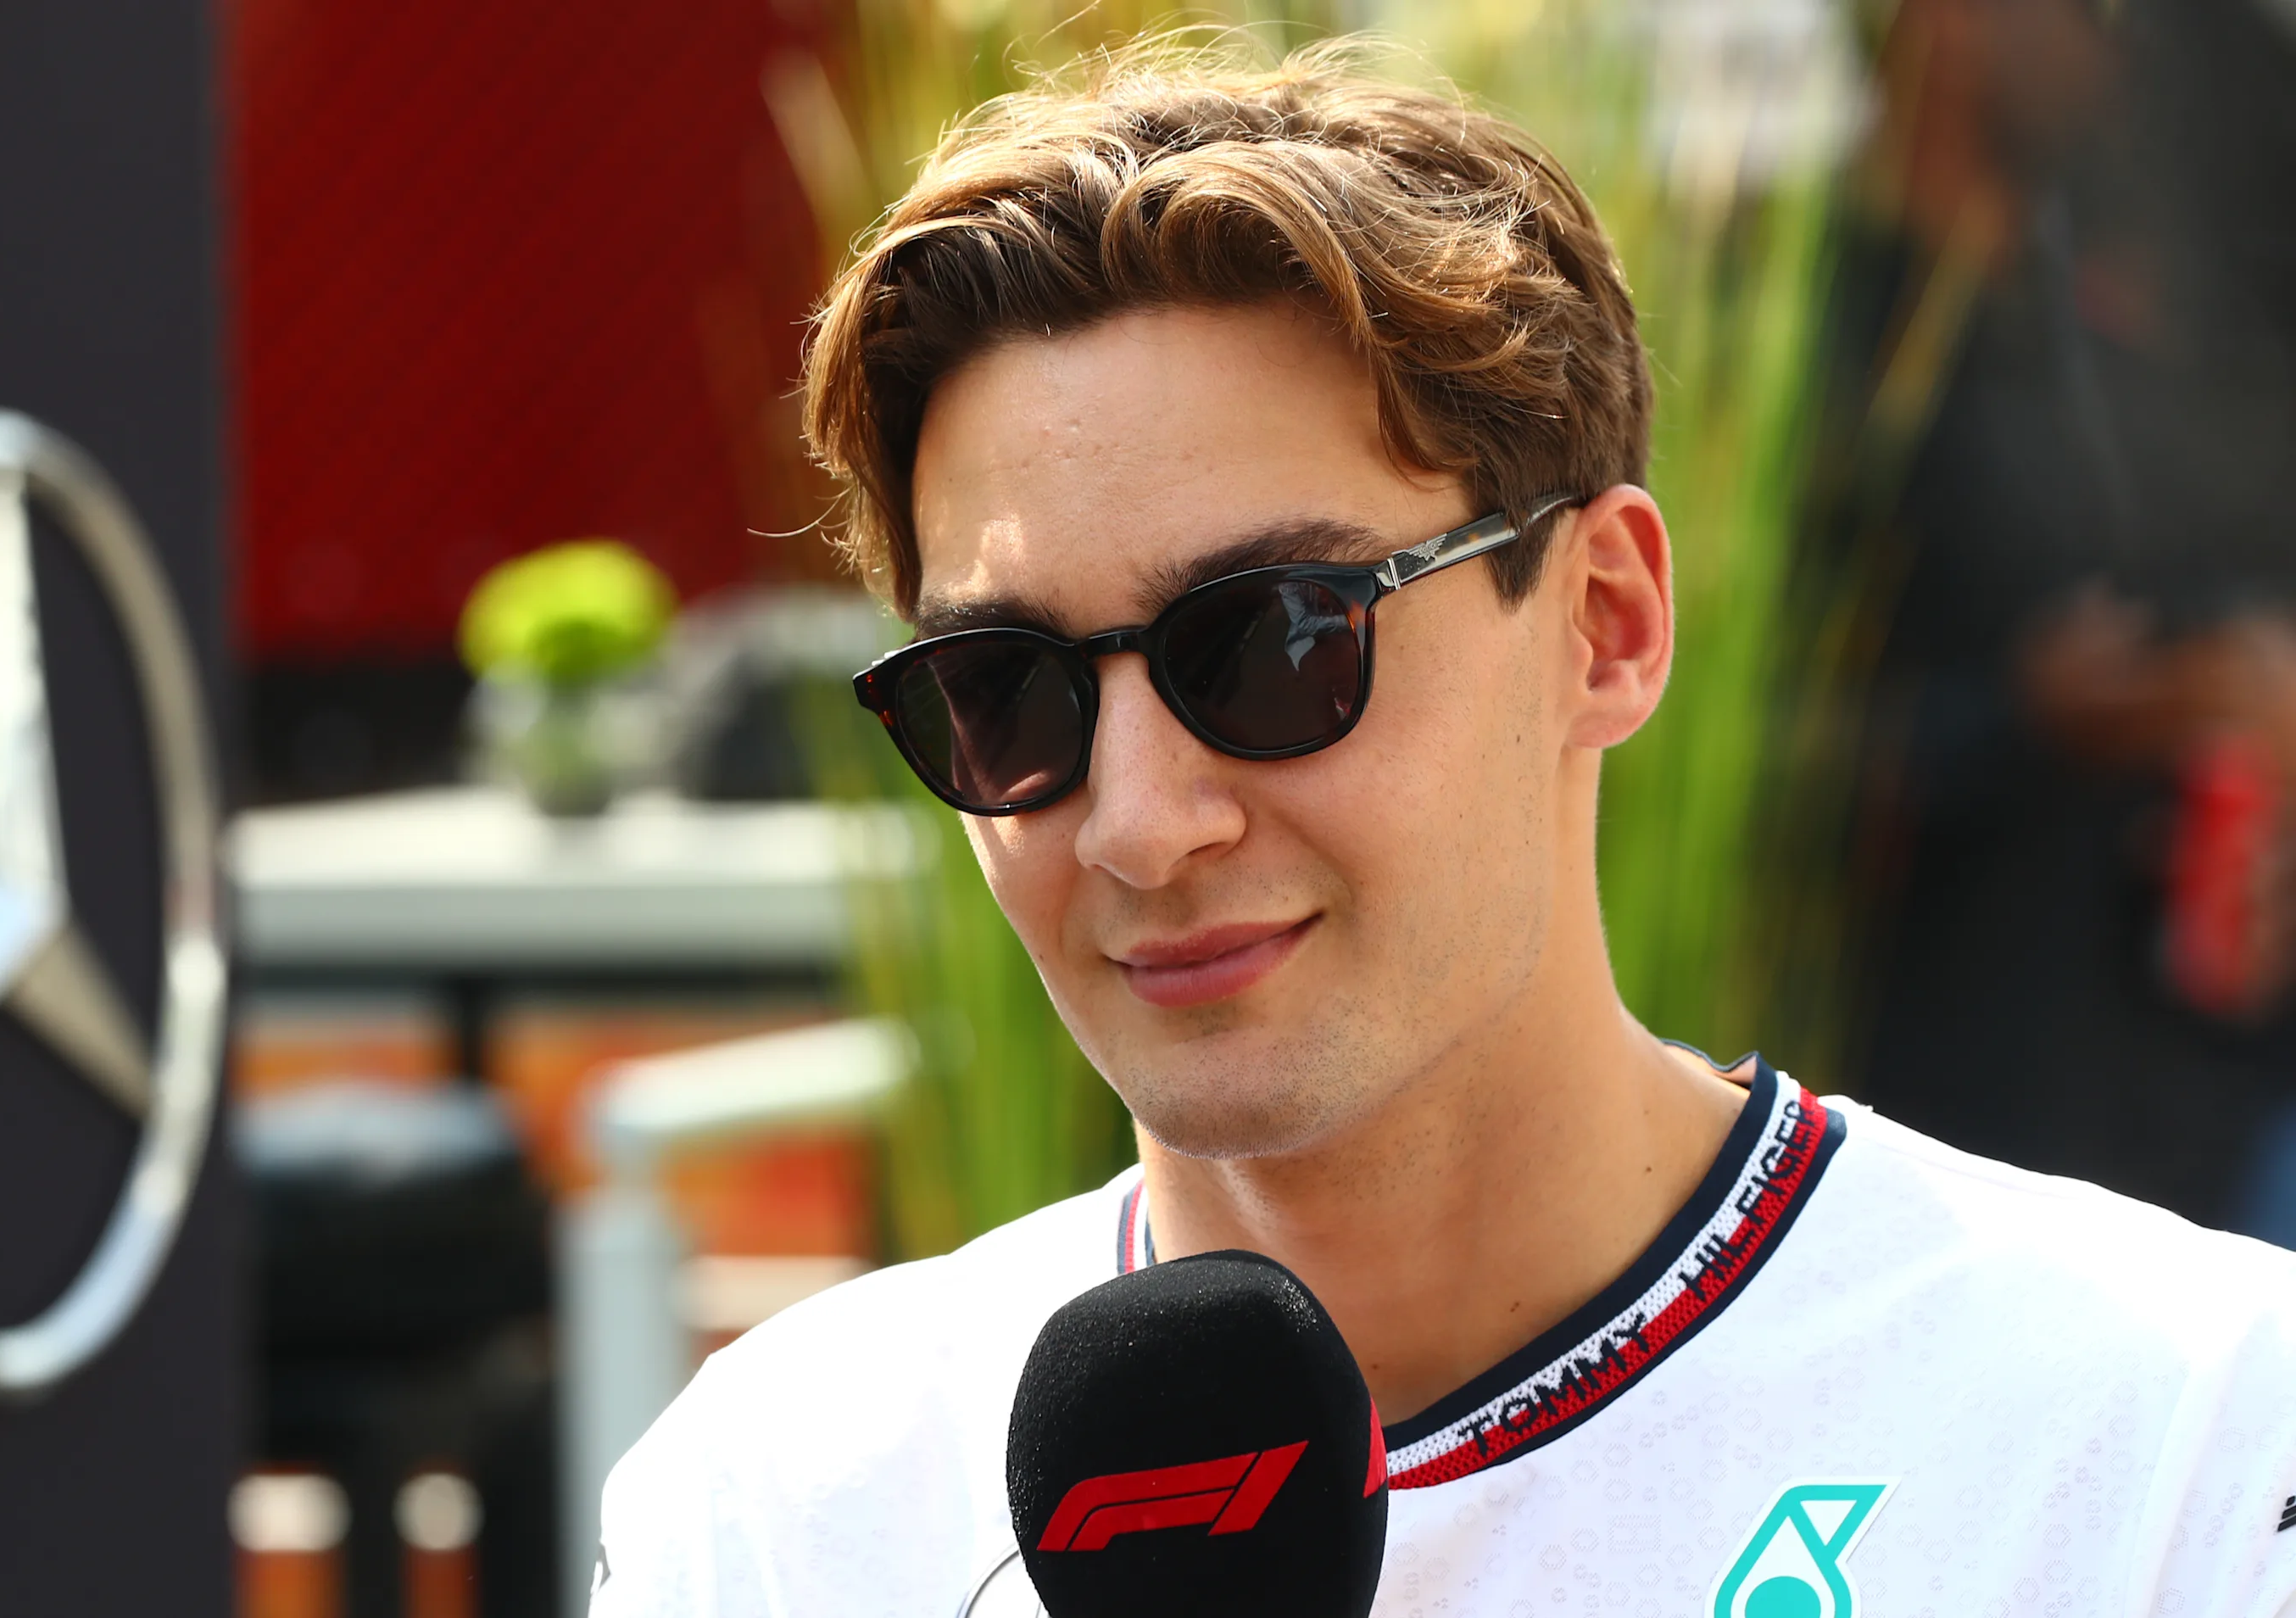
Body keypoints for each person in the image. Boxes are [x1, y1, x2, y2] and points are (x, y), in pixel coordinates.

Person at [589, 37, 2296, 1615]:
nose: (1137, 822)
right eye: (1008, 690)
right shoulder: (778, 1511)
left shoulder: (2166, 1447)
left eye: (1271, 644)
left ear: (1602, 623)